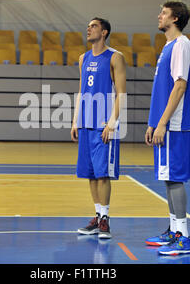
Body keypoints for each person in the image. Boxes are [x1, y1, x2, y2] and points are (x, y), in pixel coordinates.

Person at [144, 0, 190, 255]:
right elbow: (163, 90)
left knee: (174, 179)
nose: (159, 16)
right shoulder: (168, 46)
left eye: (163, 13)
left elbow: (179, 86)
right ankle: (173, 229)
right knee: (168, 178)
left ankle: (183, 237)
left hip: (174, 125)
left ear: (175, 18)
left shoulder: (181, 44)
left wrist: (163, 123)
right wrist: (153, 123)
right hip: (165, 123)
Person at [71, 17, 126, 239]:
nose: (89, 28)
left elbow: (121, 93)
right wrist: (75, 121)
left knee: (103, 174)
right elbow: (81, 91)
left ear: (104, 32)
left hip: (104, 125)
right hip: (85, 123)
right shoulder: (83, 58)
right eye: (88, 26)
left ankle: (105, 219)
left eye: (93, 26)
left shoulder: (115, 57)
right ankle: (96, 216)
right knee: (91, 174)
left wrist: (112, 123)